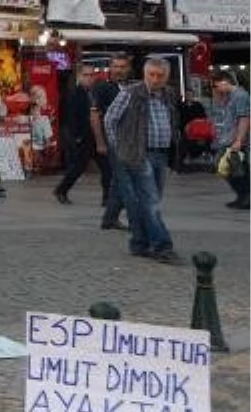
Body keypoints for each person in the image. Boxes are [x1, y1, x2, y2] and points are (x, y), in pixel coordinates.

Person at [104, 57, 182, 264]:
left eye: (160, 76)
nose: (155, 79)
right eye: (152, 75)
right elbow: (110, 119)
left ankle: (139, 243)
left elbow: (172, 120)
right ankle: (162, 246)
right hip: (138, 154)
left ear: (167, 76)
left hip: (161, 153)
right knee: (151, 201)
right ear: (145, 74)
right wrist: (119, 147)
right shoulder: (131, 93)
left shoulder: (169, 94)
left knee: (147, 202)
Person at [53, 65, 110, 208]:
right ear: (80, 77)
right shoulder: (75, 94)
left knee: (106, 168)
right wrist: (77, 136)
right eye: (86, 75)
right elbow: (71, 117)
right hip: (83, 138)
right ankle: (61, 190)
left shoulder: (96, 92)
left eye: (92, 75)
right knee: (77, 168)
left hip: (96, 136)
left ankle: (107, 198)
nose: (89, 78)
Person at [91, 54, 133, 229]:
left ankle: (110, 218)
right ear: (110, 68)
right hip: (112, 141)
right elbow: (94, 116)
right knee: (126, 181)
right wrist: (100, 142)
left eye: (123, 66)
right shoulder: (103, 88)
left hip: (130, 141)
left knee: (118, 181)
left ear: (128, 68)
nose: (119, 70)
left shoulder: (132, 87)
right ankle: (137, 218)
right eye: (116, 66)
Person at [212, 71, 250, 209]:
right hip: (227, 139)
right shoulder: (229, 96)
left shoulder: (240, 96)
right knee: (228, 168)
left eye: (217, 85)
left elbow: (244, 118)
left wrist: (239, 140)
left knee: (237, 170)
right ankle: (243, 196)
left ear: (225, 81)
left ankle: (245, 197)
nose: (216, 89)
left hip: (236, 140)